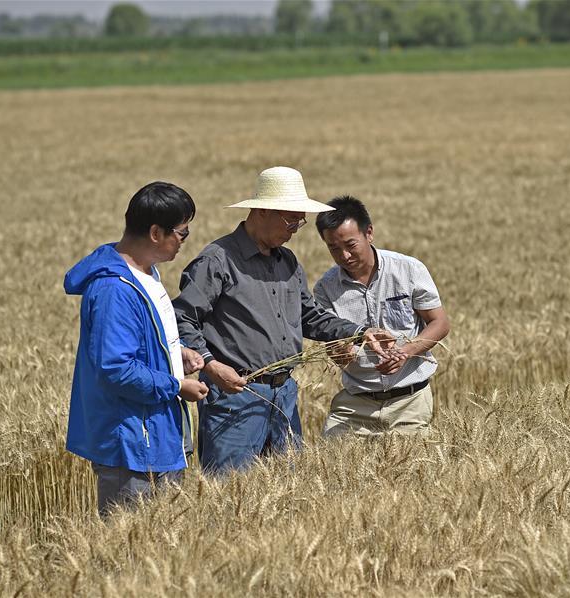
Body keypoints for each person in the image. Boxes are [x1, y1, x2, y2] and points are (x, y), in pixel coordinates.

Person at [172, 167, 394, 474]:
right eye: (291, 219)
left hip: (284, 395)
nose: (295, 228)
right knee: (229, 496)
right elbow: (182, 318)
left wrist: (360, 332)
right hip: (235, 395)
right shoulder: (217, 260)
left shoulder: (287, 261)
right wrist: (210, 364)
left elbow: (309, 316)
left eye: (300, 220)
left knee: (288, 494)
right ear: (262, 211)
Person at [64, 181, 209, 517]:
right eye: (182, 233)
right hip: (131, 444)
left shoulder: (146, 272)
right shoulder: (114, 289)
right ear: (156, 232)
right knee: (126, 553)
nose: (184, 242)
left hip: (158, 434)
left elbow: (145, 341)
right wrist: (176, 385)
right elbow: (116, 369)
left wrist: (178, 354)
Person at [313, 196, 450, 437]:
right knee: (327, 465)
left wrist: (404, 353)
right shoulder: (325, 288)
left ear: (369, 233)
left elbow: (439, 323)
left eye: (350, 244)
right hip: (356, 404)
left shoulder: (408, 269)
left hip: (410, 401)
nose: (344, 255)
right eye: (333, 248)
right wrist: (341, 352)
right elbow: (332, 345)